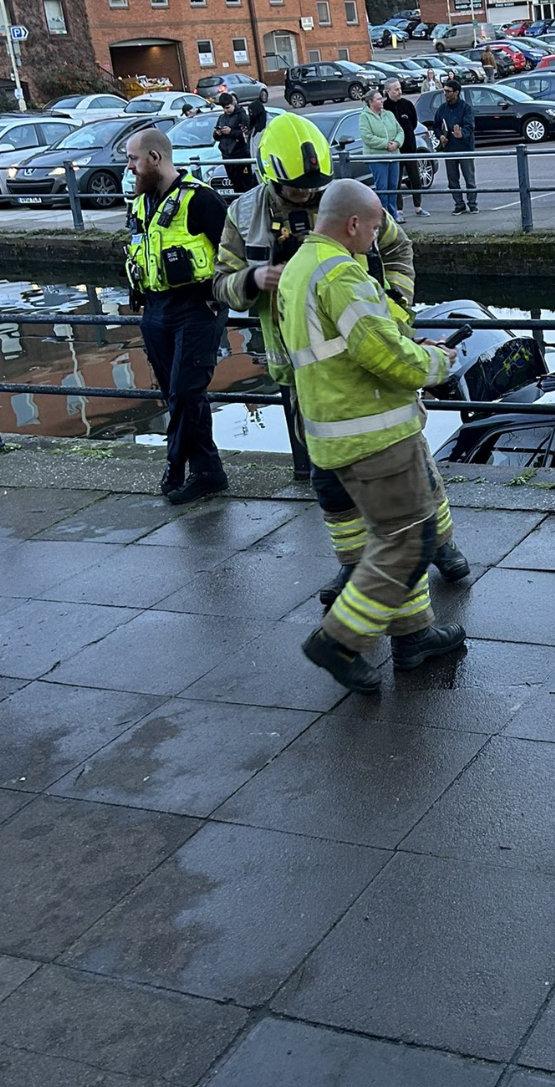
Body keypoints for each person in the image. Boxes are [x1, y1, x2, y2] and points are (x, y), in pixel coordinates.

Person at [212, 111, 470, 607]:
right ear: (271, 176)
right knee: (327, 479)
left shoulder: (340, 199)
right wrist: (251, 282)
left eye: (315, 187)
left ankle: (440, 546)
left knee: (410, 462)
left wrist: (395, 305)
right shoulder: (243, 214)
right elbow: (222, 283)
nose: (308, 196)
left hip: (366, 359)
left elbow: (397, 247)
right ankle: (354, 567)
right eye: (297, 190)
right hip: (299, 367)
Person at [283, 178, 468, 694]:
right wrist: (436, 363)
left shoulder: (300, 267)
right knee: (409, 541)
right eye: (376, 225)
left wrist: (404, 341)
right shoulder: (341, 273)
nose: (379, 235)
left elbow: (351, 344)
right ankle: (339, 641)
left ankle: (412, 639)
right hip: (374, 434)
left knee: (397, 535)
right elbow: (382, 354)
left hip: (332, 429)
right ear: (353, 224)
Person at [124, 127, 230, 505]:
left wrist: (217, 299)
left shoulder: (200, 200)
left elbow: (232, 255)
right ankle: (209, 471)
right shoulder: (140, 203)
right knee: (178, 396)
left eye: (134, 159)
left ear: (155, 158)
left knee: (186, 391)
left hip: (197, 307)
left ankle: (175, 468)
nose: (129, 168)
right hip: (154, 309)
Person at [383, 79, 428, 218]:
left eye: (400, 88)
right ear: (388, 91)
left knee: (415, 178)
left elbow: (413, 123)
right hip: (394, 150)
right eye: (396, 89)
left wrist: (406, 136)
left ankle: (418, 207)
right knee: (396, 181)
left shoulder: (407, 104)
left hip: (409, 147)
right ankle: (399, 210)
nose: (399, 92)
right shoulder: (384, 107)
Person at [435, 80, 477, 215]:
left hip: (464, 148)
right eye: (444, 91)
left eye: (448, 91)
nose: (445, 94)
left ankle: (472, 204)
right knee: (453, 180)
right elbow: (436, 125)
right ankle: (459, 204)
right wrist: (440, 136)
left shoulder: (466, 108)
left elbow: (470, 126)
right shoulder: (442, 108)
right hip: (449, 148)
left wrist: (462, 134)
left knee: (469, 179)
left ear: (456, 93)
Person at [359, 88, 401, 220]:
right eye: (378, 99)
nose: (381, 101)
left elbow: (400, 131)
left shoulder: (388, 114)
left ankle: (394, 214)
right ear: (371, 102)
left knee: (393, 187)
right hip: (377, 157)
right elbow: (367, 137)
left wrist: (396, 143)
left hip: (394, 156)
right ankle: (384, 216)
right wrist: (385, 144)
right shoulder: (364, 117)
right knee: (382, 188)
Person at [213, 93, 254, 193]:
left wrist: (231, 132)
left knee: (245, 183)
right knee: (234, 183)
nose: (226, 110)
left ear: (233, 103)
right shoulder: (222, 118)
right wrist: (217, 133)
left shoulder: (242, 116)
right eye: (223, 108)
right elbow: (216, 137)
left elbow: (247, 135)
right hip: (227, 155)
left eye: (227, 107)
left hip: (241, 154)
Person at [245, 93, 268, 158]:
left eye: (252, 112)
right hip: (254, 160)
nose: (251, 115)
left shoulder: (268, 124)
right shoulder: (253, 127)